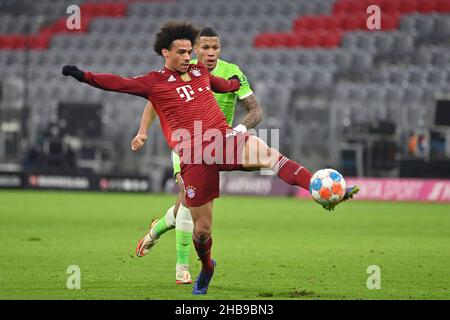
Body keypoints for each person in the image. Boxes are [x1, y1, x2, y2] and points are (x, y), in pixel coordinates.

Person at [62, 21, 359, 295]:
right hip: (192, 156)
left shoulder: (200, 73)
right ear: (166, 53)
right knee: (202, 231)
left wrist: (231, 85)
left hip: (221, 139)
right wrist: (84, 76)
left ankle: (316, 187)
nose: (188, 57)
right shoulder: (154, 83)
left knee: (269, 154)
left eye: (190, 51)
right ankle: (206, 266)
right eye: (182, 52)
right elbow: (117, 82)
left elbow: (222, 85)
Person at [131, 26, 263, 285]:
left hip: (217, 147)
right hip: (186, 145)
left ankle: (156, 229)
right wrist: (142, 131)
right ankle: (182, 267)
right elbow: (153, 101)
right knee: (187, 200)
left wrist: (238, 130)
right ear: (195, 49)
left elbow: (255, 111)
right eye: (204, 48)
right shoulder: (182, 70)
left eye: (215, 48)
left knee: (188, 209)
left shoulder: (231, 71)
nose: (210, 53)